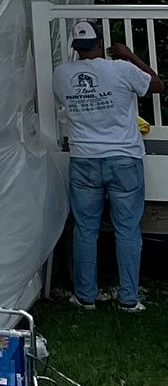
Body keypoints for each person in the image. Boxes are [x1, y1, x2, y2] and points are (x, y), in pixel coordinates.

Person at [52, 19, 160, 312]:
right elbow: (158, 84)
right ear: (100, 43)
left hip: (84, 160)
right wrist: (130, 55)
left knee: (85, 228)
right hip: (124, 159)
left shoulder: (61, 75)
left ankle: (86, 296)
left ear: (76, 47)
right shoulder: (122, 69)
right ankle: (128, 299)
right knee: (127, 229)